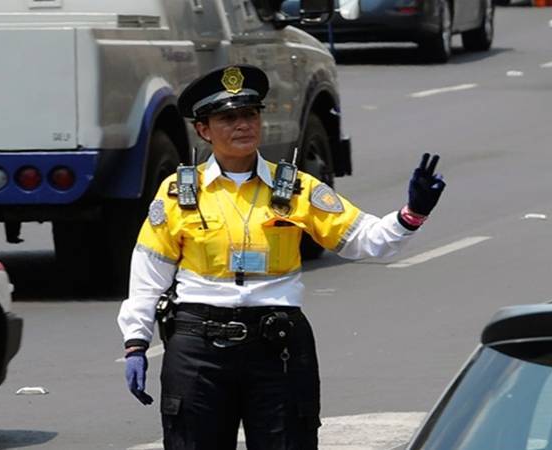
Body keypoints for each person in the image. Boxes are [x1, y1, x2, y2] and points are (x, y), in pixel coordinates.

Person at [117, 64, 445, 449]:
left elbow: (364, 240)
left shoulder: (298, 188)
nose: (243, 125)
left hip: (278, 349)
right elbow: (147, 274)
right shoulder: (177, 193)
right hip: (198, 350)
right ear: (203, 130)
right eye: (228, 118)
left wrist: (411, 214)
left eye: (250, 115)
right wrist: (135, 343)